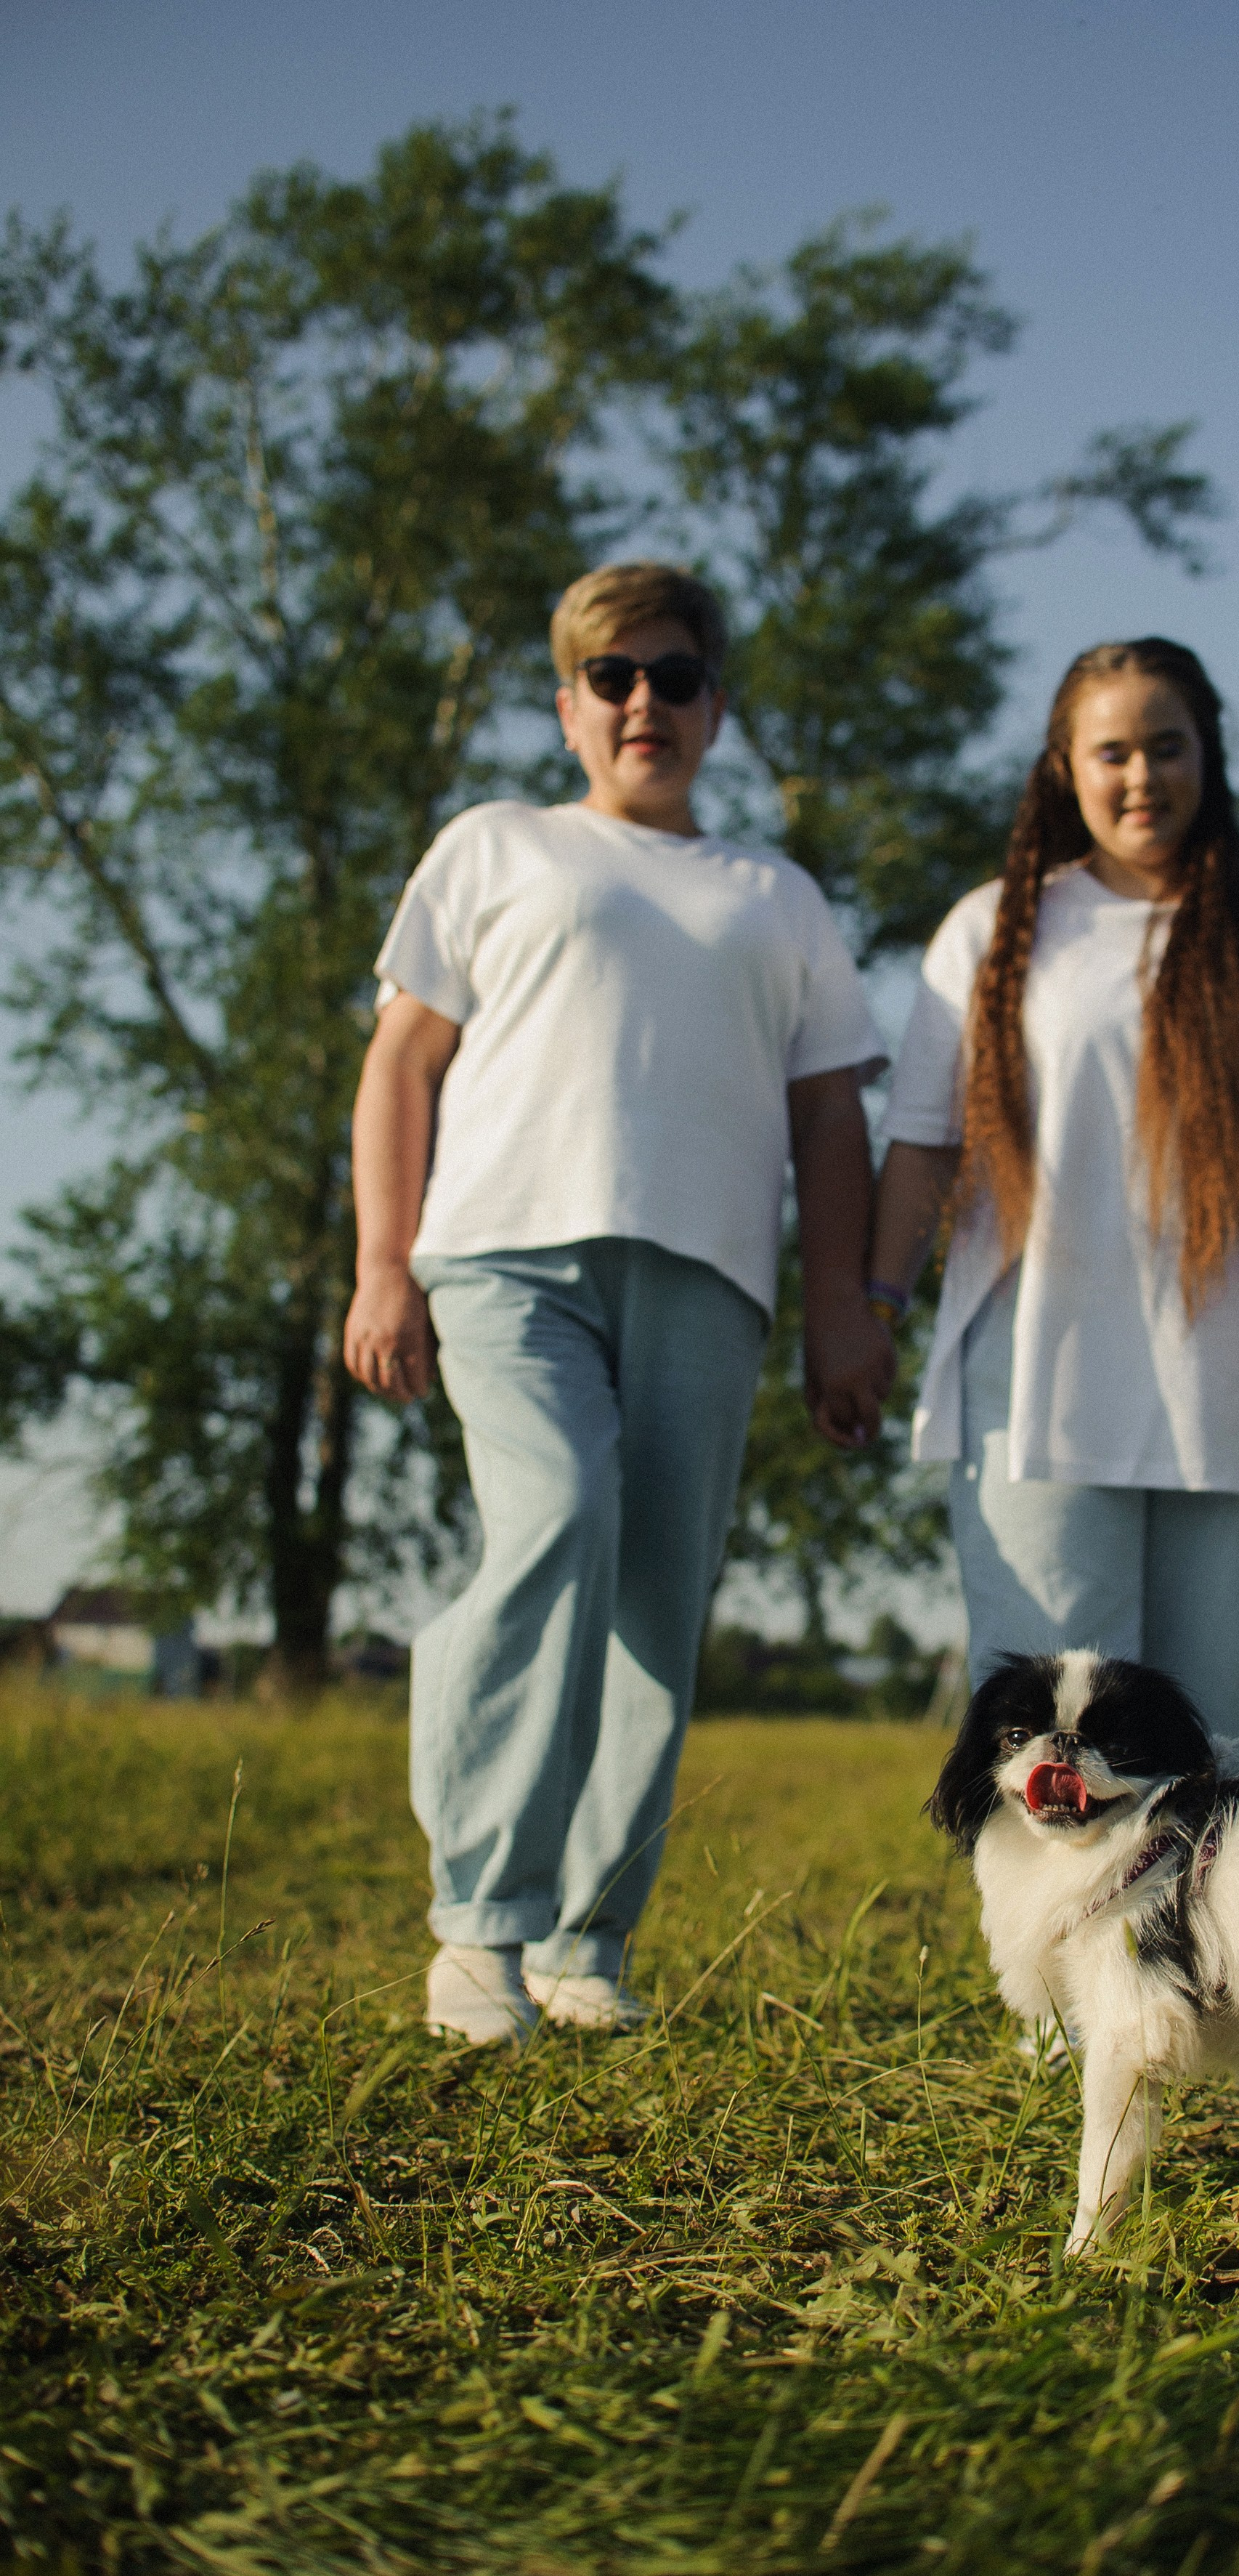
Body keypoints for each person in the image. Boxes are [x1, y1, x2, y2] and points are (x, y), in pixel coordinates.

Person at [344, 562, 892, 2044]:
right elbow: (402, 1065)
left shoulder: (775, 899)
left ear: (718, 707)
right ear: (570, 703)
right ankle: (481, 1921)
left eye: (676, 675)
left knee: (658, 1600)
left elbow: (832, 1121)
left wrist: (843, 1308)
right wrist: (381, 1264)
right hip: (505, 1258)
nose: (644, 699)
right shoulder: (496, 847)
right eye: (613, 676)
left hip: (708, 1278)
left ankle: (587, 1940)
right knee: (559, 1518)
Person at [868, 636, 1239, 1776]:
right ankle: (1051, 1964)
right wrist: (873, 1305)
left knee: (1203, 1743)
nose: (1142, 776)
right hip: (1033, 1387)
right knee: (1047, 1739)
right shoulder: (992, 931)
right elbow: (920, 1144)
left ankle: (1207, 1960)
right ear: (1065, 767)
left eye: (1167, 746)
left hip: (1236, 1381)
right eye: (1112, 752)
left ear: (1208, 756)